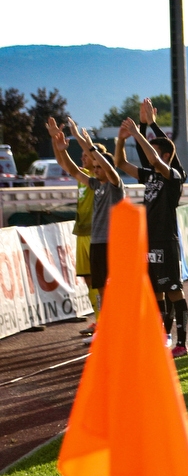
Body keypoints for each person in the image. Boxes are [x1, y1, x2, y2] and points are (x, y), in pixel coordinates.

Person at [114, 117, 188, 357]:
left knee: (174, 291)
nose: (150, 156)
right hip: (148, 241)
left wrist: (138, 133)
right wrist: (121, 140)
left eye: (155, 150)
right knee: (155, 291)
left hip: (166, 241)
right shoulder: (150, 176)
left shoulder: (173, 176)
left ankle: (182, 343)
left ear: (166, 155)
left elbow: (155, 159)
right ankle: (161, 336)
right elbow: (120, 163)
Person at [52, 119, 125, 328]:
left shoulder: (114, 184)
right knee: (100, 286)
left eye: (98, 167)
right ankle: (106, 325)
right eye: (94, 168)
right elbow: (74, 171)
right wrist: (62, 149)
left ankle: (122, 323)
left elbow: (105, 167)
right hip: (97, 242)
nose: (95, 170)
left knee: (115, 287)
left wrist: (84, 140)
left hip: (113, 243)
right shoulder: (95, 184)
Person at [47, 118, 102, 340]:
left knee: (100, 281)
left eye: (87, 155)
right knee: (88, 280)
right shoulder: (82, 176)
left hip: (96, 234)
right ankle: (100, 321)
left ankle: (108, 322)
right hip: (81, 233)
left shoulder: (98, 178)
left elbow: (67, 163)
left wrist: (81, 139)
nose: (83, 158)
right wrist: (54, 141)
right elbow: (64, 162)